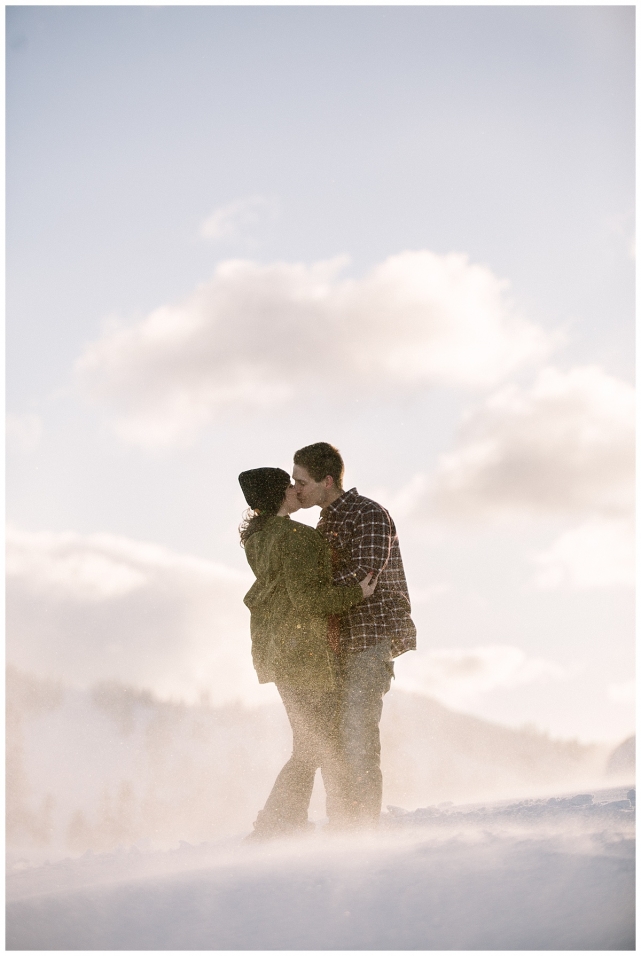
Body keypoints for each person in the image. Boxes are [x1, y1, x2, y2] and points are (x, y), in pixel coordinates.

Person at [238, 466, 377, 841]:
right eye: (291, 486)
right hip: (303, 653)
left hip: (277, 651)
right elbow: (308, 600)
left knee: (310, 743)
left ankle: (284, 822)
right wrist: (357, 593)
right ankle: (280, 824)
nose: (297, 491)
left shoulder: (259, 537)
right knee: (314, 745)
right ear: (281, 494)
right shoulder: (296, 538)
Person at [292, 442, 416, 828]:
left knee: (358, 737)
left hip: (367, 640)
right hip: (333, 647)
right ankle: (341, 829)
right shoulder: (324, 523)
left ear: (327, 480)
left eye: (302, 481)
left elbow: (365, 573)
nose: (296, 489)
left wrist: (310, 596)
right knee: (333, 742)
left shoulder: (369, 515)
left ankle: (362, 831)